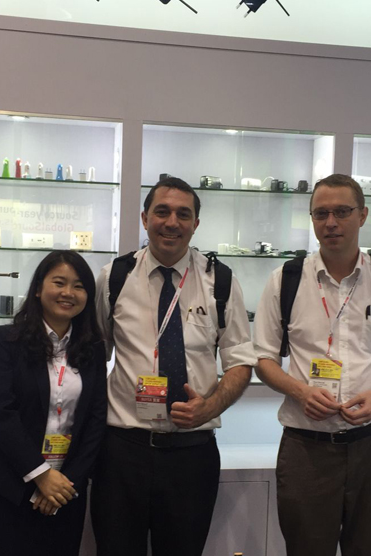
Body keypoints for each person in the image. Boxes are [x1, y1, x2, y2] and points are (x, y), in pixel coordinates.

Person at [254, 174, 371, 556]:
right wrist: (300, 392)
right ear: (312, 219)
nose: (331, 222)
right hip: (306, 447)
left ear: (362, 215)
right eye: (321, 214)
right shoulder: (285, 279)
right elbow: (264, 359)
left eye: (342, 212)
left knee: (370, 549)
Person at [90, 177, 257, 556]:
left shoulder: (220, 281)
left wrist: (210, 407)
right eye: (162, 212)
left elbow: (240, 362)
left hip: (191, 454)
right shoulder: (114, 277)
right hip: (122, 453)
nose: (171, 222)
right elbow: (92, 357)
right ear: (144, 217)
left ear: (195, 224)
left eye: (183, 214)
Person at [0, 250, 107, 556]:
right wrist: (40, 474)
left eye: (79, 286)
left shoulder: (93, 348)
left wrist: (66, 482)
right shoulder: (6, 340)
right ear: (38, 288)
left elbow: (97, 418)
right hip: (12, 481)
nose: (68, 292)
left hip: (66, 487)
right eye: (59, 282)